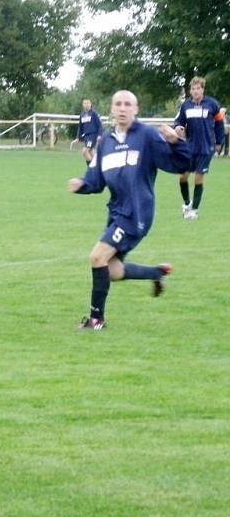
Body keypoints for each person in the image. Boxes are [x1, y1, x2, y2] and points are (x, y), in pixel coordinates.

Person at [68, 89, 190, 330]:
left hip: (136, 213)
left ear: (136, 109)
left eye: (127, 104)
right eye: (118, 104)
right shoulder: (106, 142)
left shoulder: (147, 136)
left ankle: (96, 319)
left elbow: (181, 164)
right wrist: (82, 184)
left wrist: (176, 142)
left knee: (96, 257)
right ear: (112, 109)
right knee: (111, 270)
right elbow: (96, 179)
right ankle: (156, 273)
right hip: (116, 213)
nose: (122, 108)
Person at [173, 76, 225, 219]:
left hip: (206, 147)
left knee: (198, 178)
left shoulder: (213, 105)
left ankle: (194, 210)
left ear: (203, 89)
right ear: (190, 91)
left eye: (198, 88)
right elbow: (178, 121)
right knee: (183, 176)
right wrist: (178, 127)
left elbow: (220, 125)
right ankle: (187, 203)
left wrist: (219, 142)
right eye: (193, 89)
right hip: (189, 147)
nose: (195, 91)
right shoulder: (186, 106)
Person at [75, 98, 102, 163]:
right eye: (85, 103)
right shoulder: (82, 114)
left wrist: (99, 135)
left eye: (88, 103)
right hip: (86, 137)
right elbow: (80, 126)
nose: (86, 105)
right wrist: (78, 137)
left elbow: (100, 125)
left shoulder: (94, 113)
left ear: (90, 104)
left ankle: (92, 170)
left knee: (85, 151)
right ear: (82, 105)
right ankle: (98, 169)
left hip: (93, 136)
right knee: (91, 152)